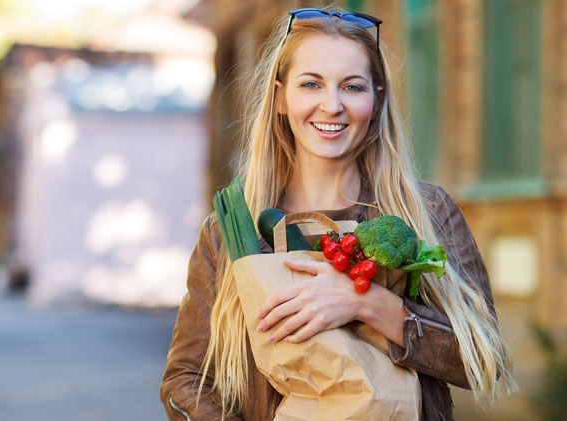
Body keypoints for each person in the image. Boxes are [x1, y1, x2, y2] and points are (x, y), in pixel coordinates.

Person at [160, 6, 516, 420]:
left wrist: (368, 303)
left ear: (376, 98)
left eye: (352, 87)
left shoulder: (427, 213)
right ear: (280, 97)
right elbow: (185, 381)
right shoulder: (229, 233)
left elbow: (485, 361)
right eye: (311, 84)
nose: (331, 105)